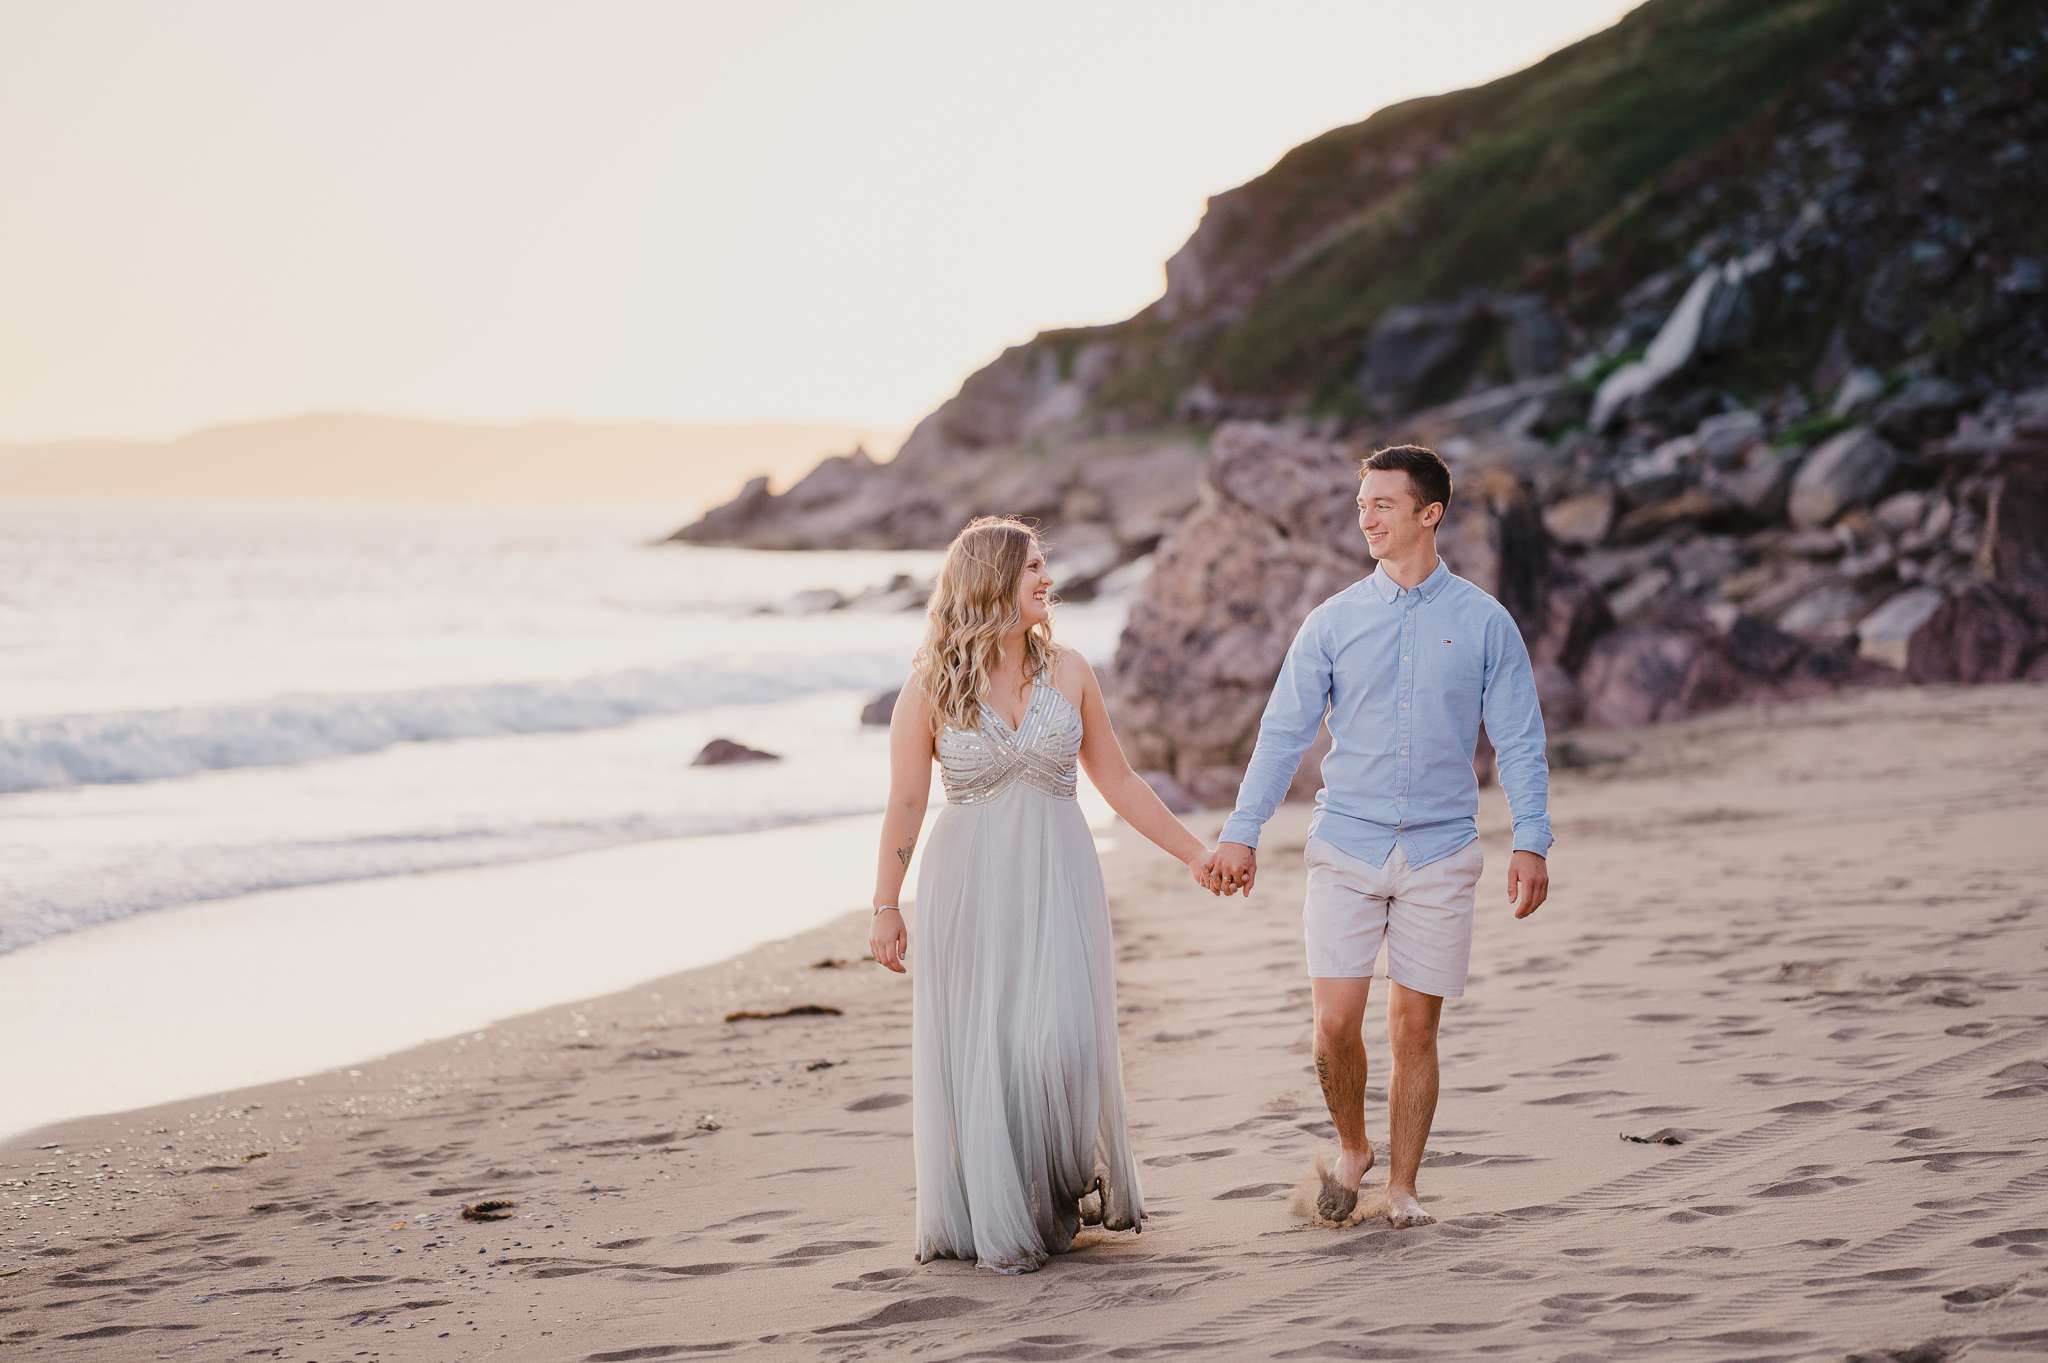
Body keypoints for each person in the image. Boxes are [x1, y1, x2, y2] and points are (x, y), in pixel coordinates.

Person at [1198, 444, 1553, 1229]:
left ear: (1430, 514)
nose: (1367, 518)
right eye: (1363, 505)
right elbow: (1283, 734)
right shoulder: (1333, 621)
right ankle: (1352, 1145)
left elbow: (1521, 739)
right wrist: (1241, 834)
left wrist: (1532, 838)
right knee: (1335, 1021)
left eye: (1383, 504)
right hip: (1346, 846)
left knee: (1415, 1025)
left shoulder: (1486, 622)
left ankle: (1402, 1187)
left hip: (1440, 849)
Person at [869, 514, 1216, 1274]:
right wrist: (886, 904)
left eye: (1043, 566)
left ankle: (1055, 1194)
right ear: (992, 579)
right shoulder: (931, 685)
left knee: (1056, 1041)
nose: (1047, 579)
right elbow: (904, 803)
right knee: (989, 1049)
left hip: (1059, 878)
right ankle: (1003, 1213)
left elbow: (1117, 779)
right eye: (1032, 568)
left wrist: (1195, 851)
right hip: (969, 886)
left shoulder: (1071, 671)